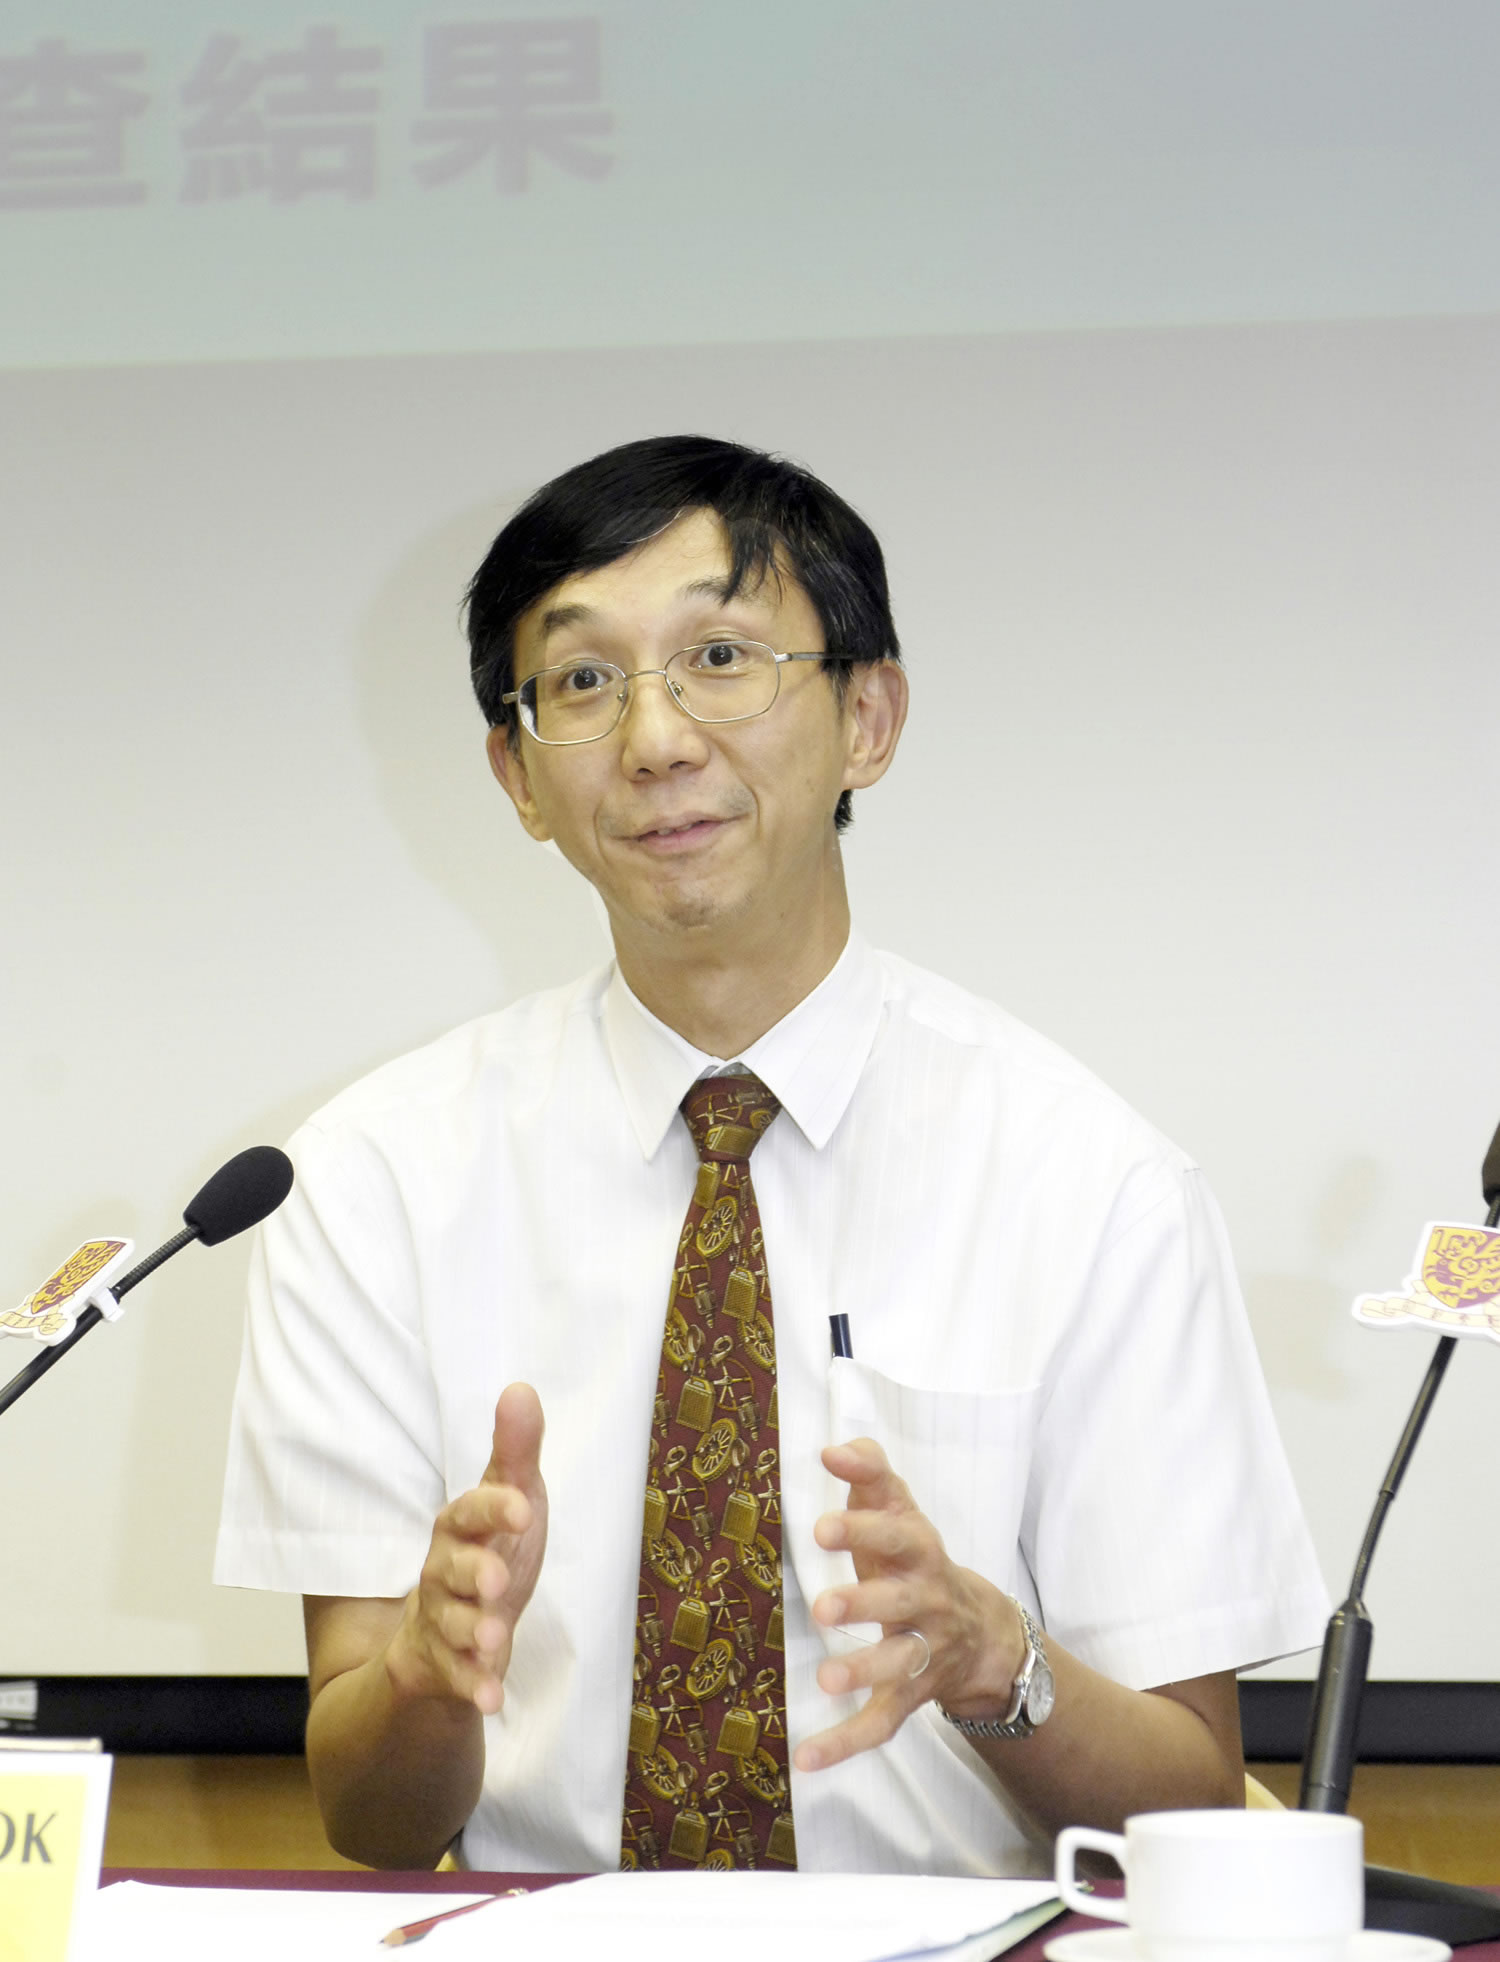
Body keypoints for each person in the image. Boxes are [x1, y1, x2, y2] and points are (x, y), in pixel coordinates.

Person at [215, 435, 1328, 1876]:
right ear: (519, 776)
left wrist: (997, 1662)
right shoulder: (372, 1183)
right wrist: (427, 1677)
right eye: (583, 680)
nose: (657, 737)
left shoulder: (1091, 1181)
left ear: (870, 717)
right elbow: (374, 1816)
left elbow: (1187, 1803)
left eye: (722, 657)